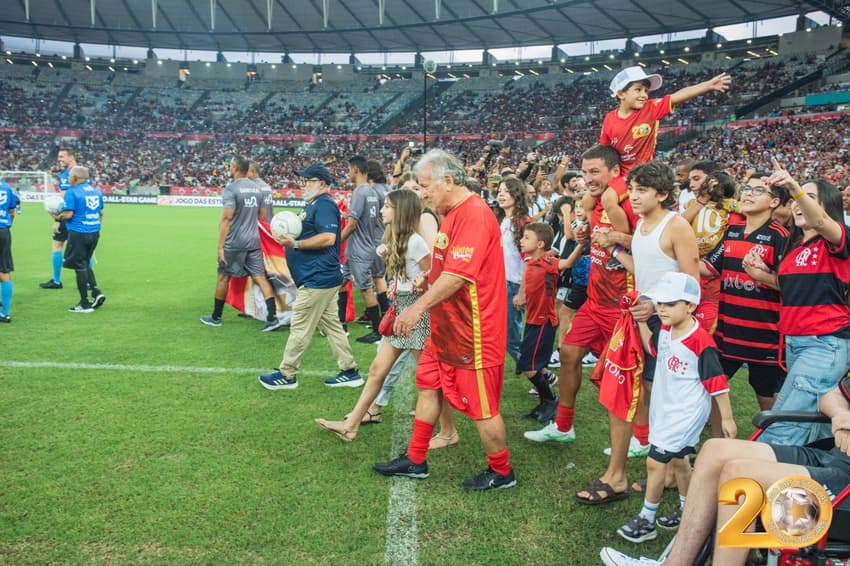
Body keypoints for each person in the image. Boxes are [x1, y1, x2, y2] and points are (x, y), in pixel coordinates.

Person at [372, 149, 515, 491]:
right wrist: (427, 280)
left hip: (474, 330)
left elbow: (459, 276)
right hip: (447, 326)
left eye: (425, 186)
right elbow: (445, 268)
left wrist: (418, 306)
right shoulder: (450, 212)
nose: (421, 194)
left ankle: (502, 471)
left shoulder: (475, 215)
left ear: (448, 181)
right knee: (428, 384)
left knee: (482, 407)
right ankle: (416, 459)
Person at [599, 376, 850, 566]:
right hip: (831, 459)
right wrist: (840, 415)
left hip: (844, 490)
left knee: (740, 475)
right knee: (714, 450)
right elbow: (831, 395)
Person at [523, 145, 637, 504]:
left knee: (627, 379)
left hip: (622, 307)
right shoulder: (598, 205)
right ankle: (563, 426)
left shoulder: (627, 205)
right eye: (584, 172)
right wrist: (587, 238)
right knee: (568, 352)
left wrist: (615, 241)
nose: (587, 179)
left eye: (595, 173)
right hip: (595, 301)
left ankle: (641, 438)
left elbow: (650, 246)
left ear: (615, 171)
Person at [612, 272, 735, 546]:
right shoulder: (666, 331)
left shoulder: (700, 341)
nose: (662, 309)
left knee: (655, 462)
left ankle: (647, 520)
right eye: (660, 303)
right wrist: (642, 321)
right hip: (665, 409)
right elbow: (653, 348)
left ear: (690, 306)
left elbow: (717, 382)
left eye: (670, 304)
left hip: (685, 413)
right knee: (680, 462)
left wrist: (726, 418)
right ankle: (687, 508)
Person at [315, 189, 431, 441]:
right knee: (378, 369)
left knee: (428, 377)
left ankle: (448, 432)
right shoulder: (396, 239)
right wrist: (398, 283)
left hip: (415, 313)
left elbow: (432, 272)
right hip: (401, 308)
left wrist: (419, 282)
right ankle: (352, 425)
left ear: (400, 212)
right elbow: (410, 273)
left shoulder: (415, 241)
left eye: (387, 206)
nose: (381, 210)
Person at [750, 162, 850, 445]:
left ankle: (753, 473)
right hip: (797, 343)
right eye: (795, 199)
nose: (796, 204)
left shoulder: (838, 240)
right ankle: (823, 478)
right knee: (813, 424)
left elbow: (819, 222)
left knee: (784, 423)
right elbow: (795, 290)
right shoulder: (794, 248)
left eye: (807, 198)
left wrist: (794, 187)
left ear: (826, 207)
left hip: (823, 344)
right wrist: (761, 274)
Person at [593, 67, 732, 235]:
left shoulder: (650, 109)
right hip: (619, 174)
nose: (644, 94)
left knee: (609, 199)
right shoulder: (609, 118)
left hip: (640, 173)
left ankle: (623, 240)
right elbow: (604, 152)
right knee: (588, 200)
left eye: (646, 90)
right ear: (621, 94)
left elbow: (677, 96)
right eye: (638, 89)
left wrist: (707, 85)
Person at [258, 164, 361, 390]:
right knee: (332, 326)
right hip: (320, 277)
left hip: (318, 278)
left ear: (322, 184)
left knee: (300, 326)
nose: (303, 184)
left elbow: (327, 238)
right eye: (303, 180)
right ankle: (350, 371)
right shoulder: (314, 204)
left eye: (309, 180)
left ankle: (287, 374)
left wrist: (295, 243)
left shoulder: (324, 205)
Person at [702, 173, 789, 417]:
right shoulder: (732, 231)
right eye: (747, 188)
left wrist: (762, 277)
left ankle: (772, 444)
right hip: (727, 334)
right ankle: (717, 443)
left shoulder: (780, 236)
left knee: (767, 399)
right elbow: (706, 268)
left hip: (765, 339)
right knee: (713, 388)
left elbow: (792, 285)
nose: (748, 193)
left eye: (758, 190)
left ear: (773, 202)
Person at [199, 155, 282, 332]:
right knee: (260, 277)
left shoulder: (231, 189)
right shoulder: (257, 188)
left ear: (236, 168)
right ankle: (272, 317)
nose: (229, 169)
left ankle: (215, 317)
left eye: (230, 166)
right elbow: (261, 215)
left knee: (223, 276)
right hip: (254, 240)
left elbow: (227, 219)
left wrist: (220, 247)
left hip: (234, 242)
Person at [515, 222, 583, 422]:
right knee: (530, 364)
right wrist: (521, 296)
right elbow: (526, 281)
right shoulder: (530, 262)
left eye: (527, 237)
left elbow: (568, 263)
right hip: (532, 320)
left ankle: (550, 401)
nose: (521, 240)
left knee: (528, 366)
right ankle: (546, 402)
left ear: (540, 244)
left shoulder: (549, 262)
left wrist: (581, 243)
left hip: (544, 322)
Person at [341, 155, 387, 345]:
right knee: (341, 282)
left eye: (349, 169)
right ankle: (340, 325)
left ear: (356, 170)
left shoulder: (360, 192)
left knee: (366, 289)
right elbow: (375, 220)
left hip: (359, 249)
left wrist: (336, 241)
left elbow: (352, 225)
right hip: (368, 245)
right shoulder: (372, 192)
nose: (348, 173)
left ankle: (377, 331)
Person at [55, 166, 105, 313]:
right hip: (94, 232)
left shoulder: (72, 192)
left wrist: (56, 217)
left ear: (75, 178)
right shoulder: (96, 191)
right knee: (85, 262)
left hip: (78, 233)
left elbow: (69, 214)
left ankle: (84, 304)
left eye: (70, 176)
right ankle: (96, 292)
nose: (68, 178)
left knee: (79, 267)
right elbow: (101, 212)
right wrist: (95, 227)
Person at [495, 176, 530, 366]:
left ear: (516, 194)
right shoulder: (503, 220)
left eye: (506, 191)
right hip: (502, 283)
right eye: (499, 190)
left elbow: (530, 260)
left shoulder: (522, 222)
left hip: (514, 285)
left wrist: (522, 292)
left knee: (511, 339)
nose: (501, 194)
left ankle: (542, 379)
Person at [40, 147, 77, 290]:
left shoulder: (68, 174)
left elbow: (64, 199)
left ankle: (56, 281)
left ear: (71, 157)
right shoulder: (83, 172)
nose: (59, 159)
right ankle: (87, 281)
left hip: (68, 217)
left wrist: (57, 220)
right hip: (81, 218)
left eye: (62, 157)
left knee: (57, 245)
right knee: (86, 250)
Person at [0, 178, 19, 322]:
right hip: (4, 232)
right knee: (4, 270)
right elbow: (12, 212)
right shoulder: (6, 188)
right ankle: (4, 312)